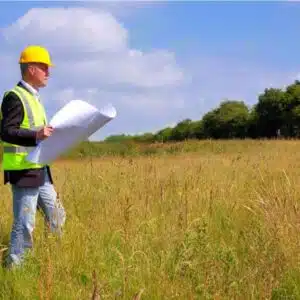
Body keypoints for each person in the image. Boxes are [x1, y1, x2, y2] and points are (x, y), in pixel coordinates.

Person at [0, 45, 66, 268]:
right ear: (30, 69)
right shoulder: (14, 97)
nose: (49, 72)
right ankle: (15, 268)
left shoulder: (35, 98)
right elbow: (6, 131)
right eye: (44, 67)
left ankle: (51, 260)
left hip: (41, 170)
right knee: (24, 223)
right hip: (23, 170)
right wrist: (36, 134)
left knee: (57, 215)